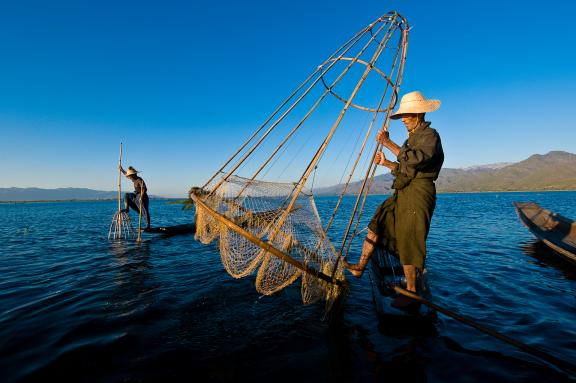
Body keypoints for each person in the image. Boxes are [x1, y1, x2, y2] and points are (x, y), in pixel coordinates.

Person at [343, 90, 444, 309]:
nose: (404, 119)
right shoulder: (411, 139)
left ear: (418, 114)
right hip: (403, 193)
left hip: (418, 195)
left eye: (407, 115)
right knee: (377, 222)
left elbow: (416, 161)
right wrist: (386, 163)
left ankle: (412, 291)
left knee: (410, 239)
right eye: (402, 116)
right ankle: (360, 266)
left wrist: (388, 142)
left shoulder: (430, 136)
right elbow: (405, 169)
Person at [120, 165, 151, 229]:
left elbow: (144, 189)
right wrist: (122, 170)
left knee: (144, 211)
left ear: (133, 175)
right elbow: (126, 174)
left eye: (130, 176)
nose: (129, 178)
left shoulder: (139, 179)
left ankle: (148, 226)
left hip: (143, 196)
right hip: (136, 195)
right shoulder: (133, 178)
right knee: (127, 195)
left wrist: (141, 197)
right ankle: (127, 208)